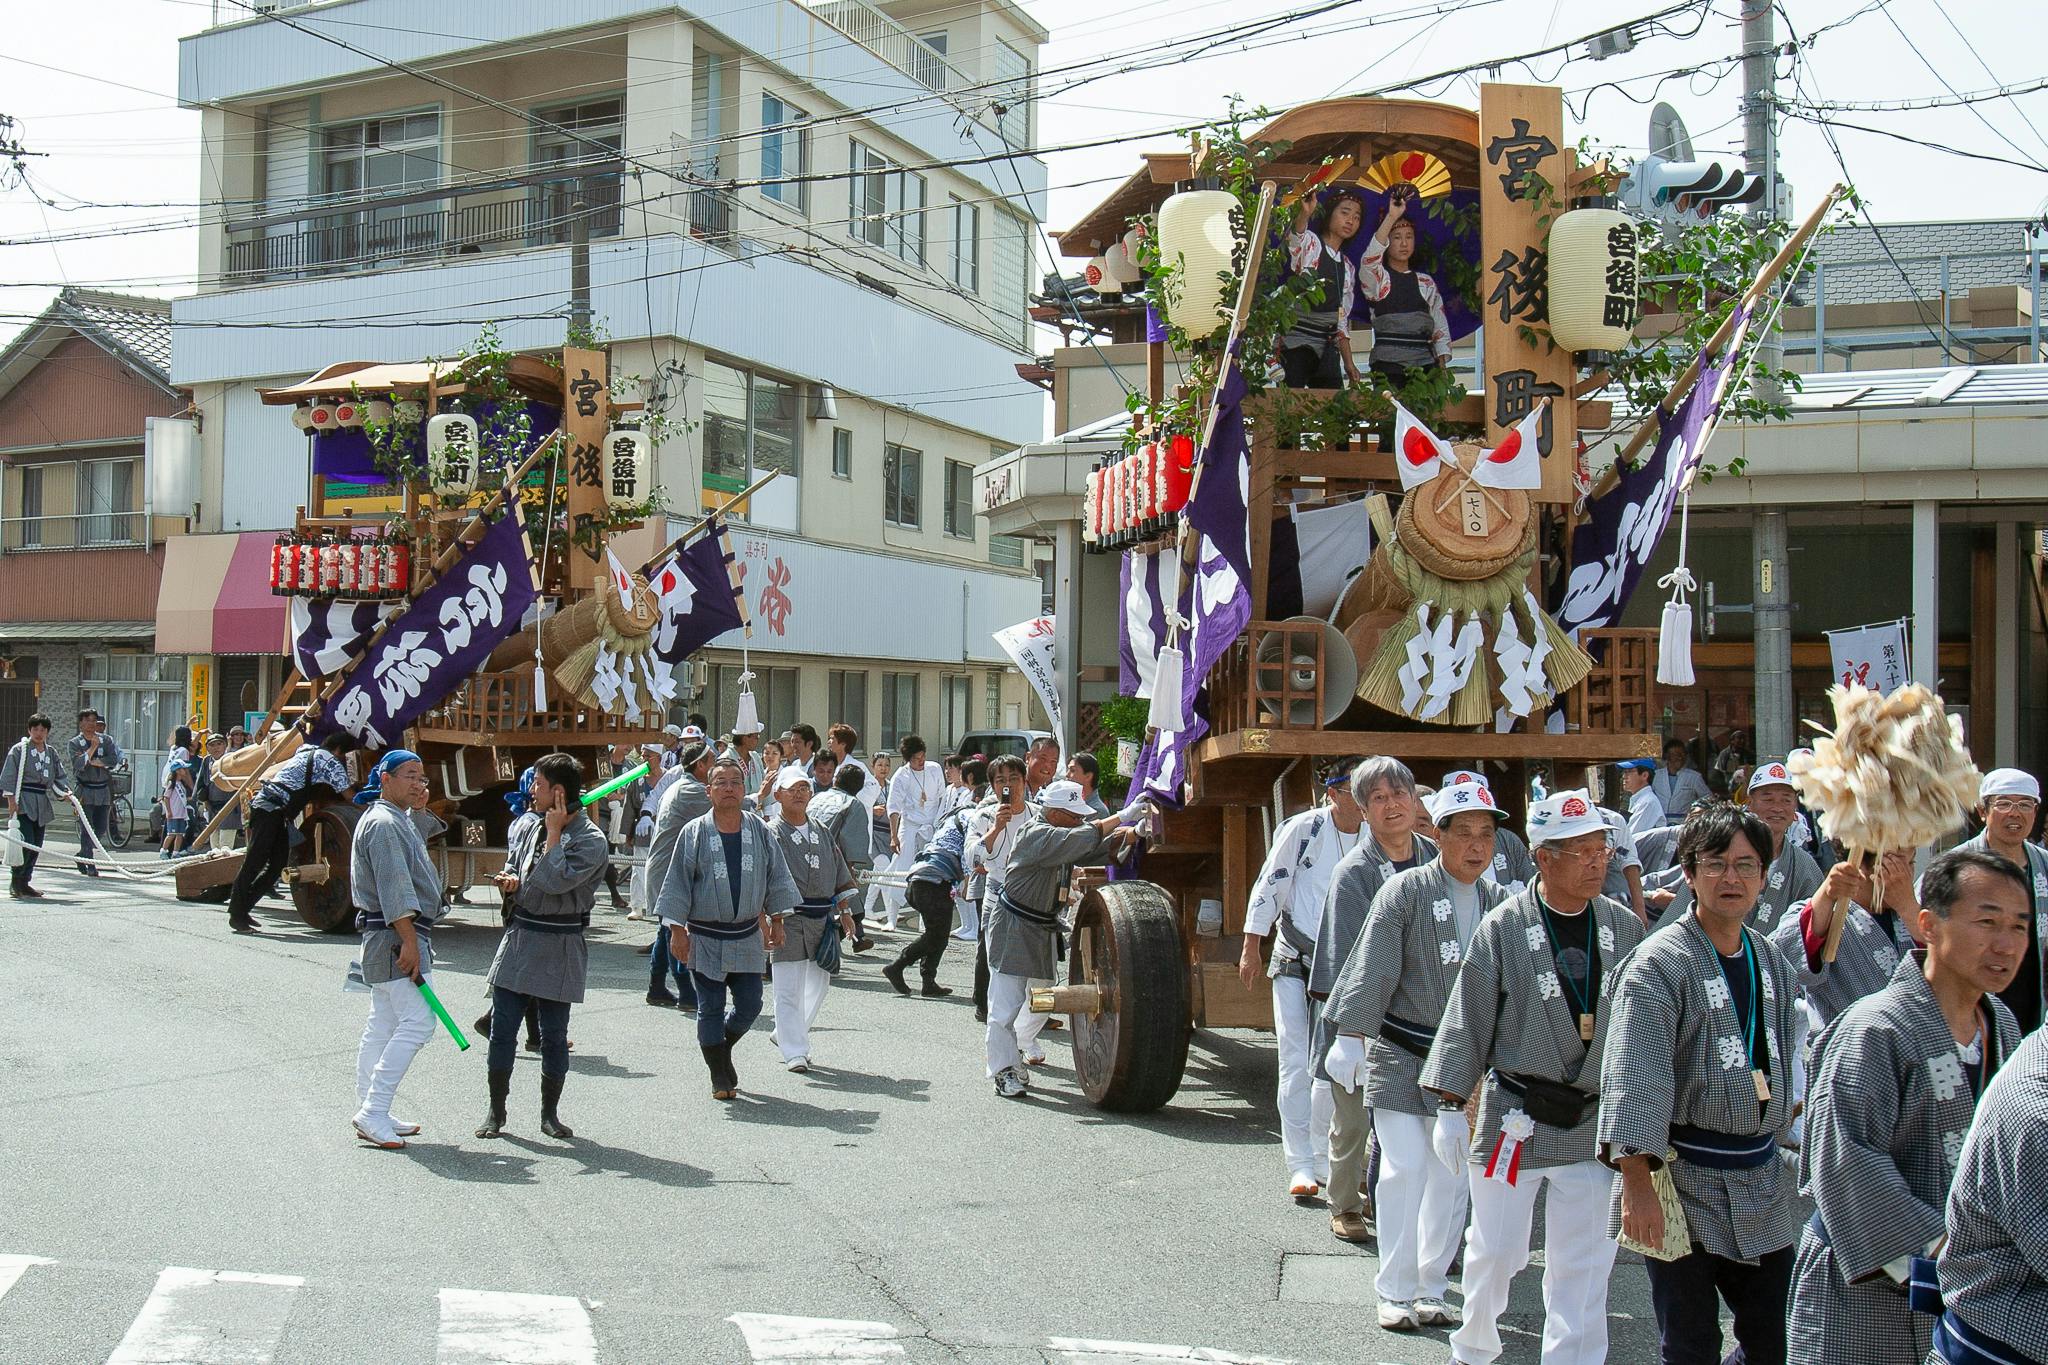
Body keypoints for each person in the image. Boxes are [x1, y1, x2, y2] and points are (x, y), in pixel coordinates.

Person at [1421, 789, 1647, 1364]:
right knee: (1496, 1250)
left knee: (1587, 1261)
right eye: (1580, 852)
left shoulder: (1623, 929)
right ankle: (1473, 1346)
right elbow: (1468, 1016)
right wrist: (1450, 1107)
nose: (1597, 863)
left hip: (1592, 1116)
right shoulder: (1502, 927)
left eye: (1602, 849)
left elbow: (1649, 1028)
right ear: (1543, 859)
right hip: (1514, 1115)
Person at [1786, 848, 2028, 1365]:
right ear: (1928, 925)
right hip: (1867, 1287)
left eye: (2019, 927)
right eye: (1987, 922)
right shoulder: (1874, 1028)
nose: (2005, 945)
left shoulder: (2002, 1024)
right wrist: (1950, 1256)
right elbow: (1846, 1163)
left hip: (1968, 1283)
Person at [1599, 804, 1803, 1365]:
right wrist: (1637, 1186)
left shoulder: (1768, 958)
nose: (1731, 878)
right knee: (1689, 1345)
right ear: (1688, 873)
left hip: (1759, 1178)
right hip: (1680, 1179)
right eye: (1715, 864)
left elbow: (1782, 1050)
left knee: (1773, 1338)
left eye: (1746, 864)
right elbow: (1635, 1078)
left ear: (1765, 875)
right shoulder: (1658, 964)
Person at [1322, 782, 1506, 1329]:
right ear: (1438, 834)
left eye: (1487, 835)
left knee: (1451, 1176)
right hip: (1402, 1050)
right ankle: (1394, 1288)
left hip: (1465, 1067)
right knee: (1404, 1168)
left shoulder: (1502, 905)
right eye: (1464, 833)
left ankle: (1430, 1285)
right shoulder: (1405, 892)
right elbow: (1374, 964)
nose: (1476, 846)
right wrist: (1350, 1035)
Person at [1311, 756, 1438, 1233]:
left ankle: (1403, 1205)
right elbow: (1346, 956)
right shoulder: (1355, 872)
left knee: (1416, 1119)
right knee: (1353, 1116)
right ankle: (1344, 1204)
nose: (1392, 806)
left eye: (1399, 794)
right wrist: (1353, 1031)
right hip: (1365, 1015)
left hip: (1424, 1011)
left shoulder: (1433, 858)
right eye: (1378, 798)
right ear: (1362, 811)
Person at [1241, 763, 1368, 1202]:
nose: (1365, 798)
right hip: (1296, 959)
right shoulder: (1304, 829)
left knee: (1339, 1067)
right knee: (1295, 1059)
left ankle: (1331, 1157)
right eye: (1355, 790)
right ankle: (1300, 1161)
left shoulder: (1378, 839)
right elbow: (1270, 884)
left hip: (1350, 969)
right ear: (1332, 793)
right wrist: (1251, 944)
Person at [477, 753, 608, 1140]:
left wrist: (553, 835)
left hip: (560, 940)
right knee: (503, 1031)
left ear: (559, 792)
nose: (531, 790)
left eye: (537, 784)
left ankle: (549, 1113)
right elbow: (520, 866)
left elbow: (555, 882)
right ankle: (496, 1110)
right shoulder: (527, 826)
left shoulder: (591, 840)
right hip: (522, 935)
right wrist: (511, 878)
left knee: (553, 1035)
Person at [655, 757, 798, 1100]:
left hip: (747, 934)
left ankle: (721, 1049)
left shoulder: (759, 829)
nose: (730, 788)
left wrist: (776, 920)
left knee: (750, 1004)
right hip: (705, 936)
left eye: (736, 781)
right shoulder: (694, 832)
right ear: (709, 790)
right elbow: (677, 884)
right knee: (711, 1007)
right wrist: (677, 931)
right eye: (721, 782)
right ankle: (719, 1075)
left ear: (744, 788)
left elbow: (776, 875)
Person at [983, 780, 1133, 1098]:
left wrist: (1133, 833)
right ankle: (1003, 1070)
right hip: (1013, 926)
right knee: (1004, 1006)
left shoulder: (1061, 836)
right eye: (1073, 814)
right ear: (1054, 813)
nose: (1080, 820)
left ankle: (1020, 1045)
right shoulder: (1036, 834)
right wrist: (1122, 816)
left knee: (1043, 999)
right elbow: (1083, 837)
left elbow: (1096, 847)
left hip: (1041, 929)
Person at [1930, 995, 2048, 1365]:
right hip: (1996, 1348)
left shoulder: (2006, 1024)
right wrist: (1908, 1258)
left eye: (2017, 931)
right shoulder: (2034, 1109)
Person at [349, 750, 443, 1150]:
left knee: (383, 1024)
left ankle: (373, 1108)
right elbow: (395, 886)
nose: (418, 783)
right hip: (395, 934)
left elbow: (415, 850)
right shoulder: (384, 822)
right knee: (419, 1023)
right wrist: (408, 940)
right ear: (385, 779)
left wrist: (418, 809)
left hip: (385, 935)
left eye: (421, 777)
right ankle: (373, 1109)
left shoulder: (392, 818)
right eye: (409, 775)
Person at [765, 766, 858, 1072]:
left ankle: (786, 1033)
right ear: (778, 794)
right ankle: (795, 1050)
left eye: (804, 788)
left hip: (821, 918)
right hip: (787, 918)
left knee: (819, 983)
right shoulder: (770, 832)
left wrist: (845, 911)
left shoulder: (820, 829)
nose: (799, 794)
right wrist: (765, 919)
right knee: (787, 987)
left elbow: (839, 870)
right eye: (792, 789)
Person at [1660, 760, 1824, 934]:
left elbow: (1815, 925)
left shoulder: (1804, 865)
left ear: (1795, 809)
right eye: (1768, 799)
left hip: (1778, 959)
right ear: (1750, 803)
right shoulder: (1719, 851)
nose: (1777, 808)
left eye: (1786, 800)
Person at [1772, 850, 1920, 1030]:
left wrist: (1908, 907)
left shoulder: (1918, 914)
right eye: (1894, 866)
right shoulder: (1828, 913)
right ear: (1862, 867)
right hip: (1850, 1048)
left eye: (1911, 864)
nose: (1904, 876)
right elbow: (1784, 960)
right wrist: (1826, 895)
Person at [223, 733, 353, 934]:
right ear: (339, 751)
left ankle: (242, 909)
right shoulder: (329, 761)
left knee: (276, 865)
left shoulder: (306, 751)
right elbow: (349, 795)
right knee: (254, 862)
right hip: (269, 809)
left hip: (276, 812)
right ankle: (237, 914)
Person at [1951, 767, 2047, 1033]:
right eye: (2004, 804)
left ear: (2035, 813)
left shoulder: (2045, 865)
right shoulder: (1956, 864)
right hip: (1974, 991)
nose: (2015, 813)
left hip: (2034, 995)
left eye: (2025, 804)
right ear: (1983, 812)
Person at [885, 793, 976, 998]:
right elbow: (969, 853)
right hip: (932, 882)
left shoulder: (948, 821)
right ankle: (897, 966)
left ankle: (928, 982)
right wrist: (968, 882)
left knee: (938, 935)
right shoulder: (972, 816)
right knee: (937, 935)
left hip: (920, 878)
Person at [1358, 186, 1452, 384]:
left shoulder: (1426, 282)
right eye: (1397, 238)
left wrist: (1442, 366)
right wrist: (1391, 217)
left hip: (1424, 364)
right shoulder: (1379, 279)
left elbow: (1439, 325)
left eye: (1409, 237)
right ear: (1387, 242)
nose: (1404, 243)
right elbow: (1369, 261)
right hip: (1388, 364)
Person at [644, 742, 712, 1009]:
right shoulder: (691, 790)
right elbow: (727, 805)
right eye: (712, 762)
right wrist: (760, 795)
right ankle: (686, 992)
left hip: (666, 867)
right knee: (675, 929)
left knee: (665, 931)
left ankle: (657, 988)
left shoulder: (678, 785)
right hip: (668, 870)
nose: (715, 767)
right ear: (700, 765)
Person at [1279, 187, 1365, 389]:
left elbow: (1341, 320)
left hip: (1327, 345)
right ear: (1329, 214)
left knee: (1333, 407)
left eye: (1356, 217)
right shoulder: (1312, 244)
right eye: (1344, 213)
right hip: (1296, 340)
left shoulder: (1348, 267)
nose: (1350, 220)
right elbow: (1296, 239)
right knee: (1291, 402)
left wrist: (1349, 363)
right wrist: (1305, 213)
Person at [968, 756, 1030, 1021]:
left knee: (1030, 962)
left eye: (1014, 779)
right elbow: (971, 859)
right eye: (1001, 780)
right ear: (993, 786)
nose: (1009, 785)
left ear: (1025, 782)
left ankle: (1027, 1020)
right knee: (994, 959)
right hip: (996, 896)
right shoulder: (982, 816)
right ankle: (993, 1011)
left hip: (1030, 897)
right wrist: (996, 828)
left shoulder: (1038, 815)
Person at [807, 752, 875, 953]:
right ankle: (825, 949)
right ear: (859, 787)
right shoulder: (853, 804)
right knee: (847, 909)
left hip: (803, 855)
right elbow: (850, 845)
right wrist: (850, 872)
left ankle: (856, 939)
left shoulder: (818, 797)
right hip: (832, 862)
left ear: (836, 778)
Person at [1, 713, 71, 898]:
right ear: (29, 730)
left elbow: (58, 777)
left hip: (41, 800)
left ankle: (25, 882)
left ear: (47, 731)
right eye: (35, 729)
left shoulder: (51, 752)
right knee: (26, 842)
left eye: (43, 730)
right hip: (23, 799)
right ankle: (16, 881)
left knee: (37, 844)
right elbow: (9, 775)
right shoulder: (19, 750)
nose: (39, 733)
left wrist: (65, 793)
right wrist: (11, 801)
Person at [883, 736, 946, 933]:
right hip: (909, 826)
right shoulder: (901, 776)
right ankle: (891, 918)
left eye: (923, 756)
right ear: (908, 758)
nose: (921, 760)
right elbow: (893, 808)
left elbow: (943, 798)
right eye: (917, 758)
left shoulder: (934, 769)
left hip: (932, 825)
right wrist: (894, 836)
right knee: (901, 868)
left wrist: (939, 825)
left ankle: (923, 921)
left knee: (928, 871)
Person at [67, 709, 122, 876]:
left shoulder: (106, 740)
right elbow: (79, 764)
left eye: (94, 720)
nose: (92, 724)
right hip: (85, 790)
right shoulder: (75, 743)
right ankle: (91, 864)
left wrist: (100, 762)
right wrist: (92, 747)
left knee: (100, 828)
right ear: (81, 723)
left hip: (103, 789)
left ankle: (82, 855)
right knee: (87, 827)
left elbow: (113, 759)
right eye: (88, 720)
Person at [1653, 738, 1715, 819]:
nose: (1680, 757)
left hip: (1683, 823)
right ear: (1667, 756)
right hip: (1660, 821)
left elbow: (1709, 799)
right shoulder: (1656, 776)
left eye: (1683, 754)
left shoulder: (1694, 777)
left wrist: (1697, 811)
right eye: (1676, 754)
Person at [159, 725, 196, 858]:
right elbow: (185, 771)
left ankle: (172, 850)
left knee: (173, 822)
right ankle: (169, 850)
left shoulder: (173, 748)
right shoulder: (184, 751)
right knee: (177, 821)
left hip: (166, 779)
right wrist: (193, 787)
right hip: (175, 782)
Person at [1620, 757, 1665, 835]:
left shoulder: (1647, 802)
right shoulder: (1639, 799)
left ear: (1644, 775)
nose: (1624, 776)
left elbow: (1631, 838)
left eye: (1629, 771)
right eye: (1624, 772)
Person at [1064, 752, 1110, 817]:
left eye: (1072, 770)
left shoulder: (1097, 811)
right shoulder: (1066, 802)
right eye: (1068, 770)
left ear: (1088, 776)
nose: (1067, 775)